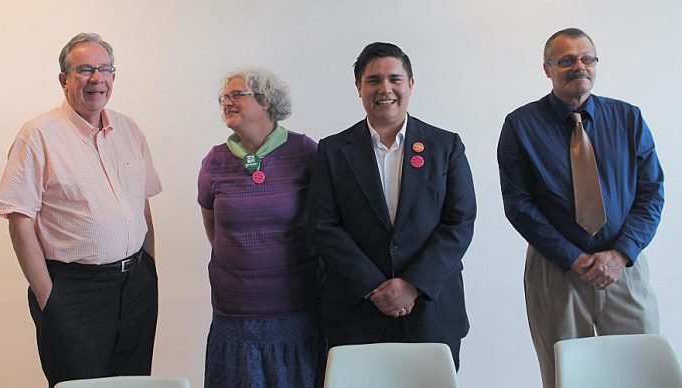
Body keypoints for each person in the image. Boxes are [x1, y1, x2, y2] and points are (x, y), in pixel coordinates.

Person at [0, 33, 162, 387]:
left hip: (136, 287)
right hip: (74, 292)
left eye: (104, 69)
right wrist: (48, 297)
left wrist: (149, 268)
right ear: (63, 79)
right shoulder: (38, 135)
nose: (96, 79)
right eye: (84, 69)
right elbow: (19, 220)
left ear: (114, 76)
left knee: (133, 382)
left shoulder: (129, 130)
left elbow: (141, 202)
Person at [497, 28, 663, 388]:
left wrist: (620, 254)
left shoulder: (628, 119)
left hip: (624, 268)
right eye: (566, 60)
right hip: (556, 271)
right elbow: (518, 204)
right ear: (547, 69)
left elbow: (651, 194)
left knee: (642, 371)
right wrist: (572, 256)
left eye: (587, 58)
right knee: (565, 375)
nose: (579, 66)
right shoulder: (520, 126)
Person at [307, 42, 477, 370]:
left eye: (395, 79)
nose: (385, 88)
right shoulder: (332, 151)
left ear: (410, 84)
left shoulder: (445, 146)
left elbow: (460, 221)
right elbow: (323, 226)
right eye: (373, 80)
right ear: (359, 87)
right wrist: (374, 287)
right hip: (356, 312)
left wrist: (412, 284)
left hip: (432, 308)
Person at [198, 69, 321, 388]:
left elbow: (324, 222)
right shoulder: (215, 161)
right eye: (223, 97)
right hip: (234, 314)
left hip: (294, 311)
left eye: (236, 94)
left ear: (266, 101)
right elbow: (214, 229)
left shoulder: (304, 151)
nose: (227, 102)